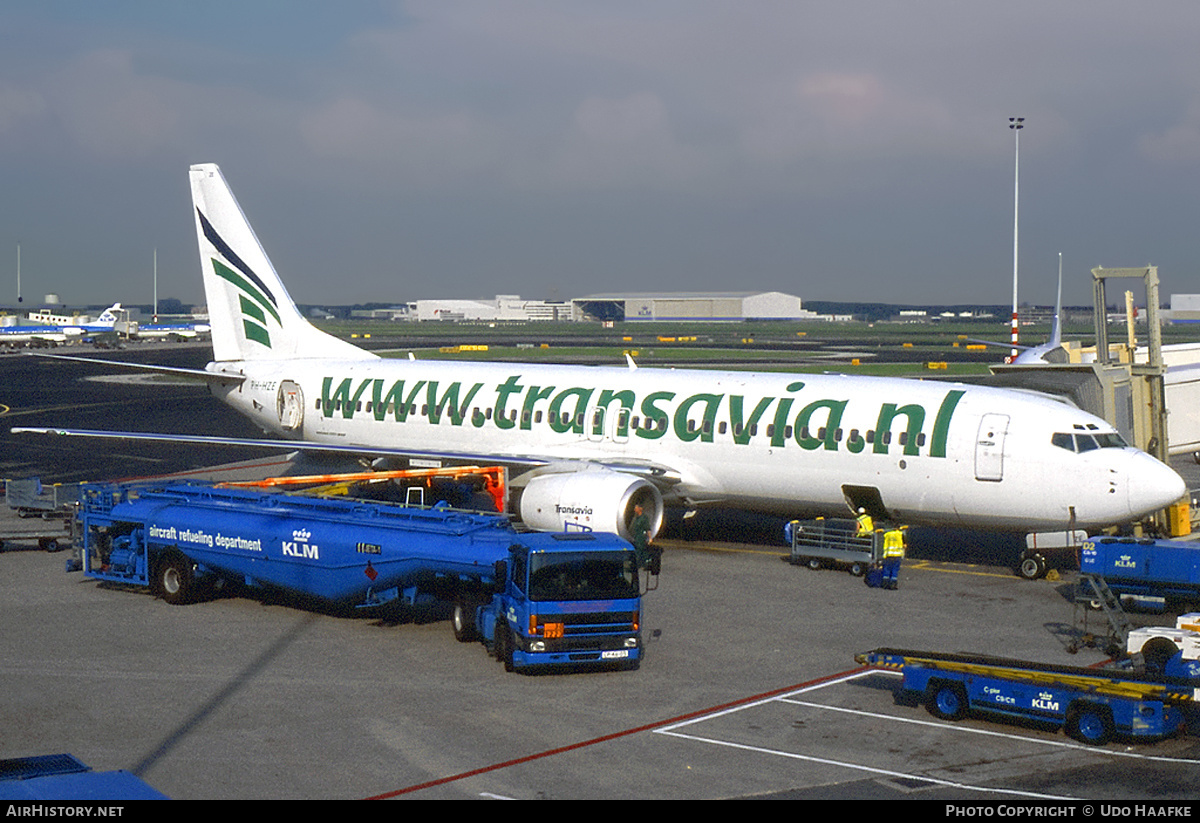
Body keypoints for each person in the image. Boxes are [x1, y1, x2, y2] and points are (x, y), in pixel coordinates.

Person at [630, 502, 655, 572]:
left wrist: (650, 538)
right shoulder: (637, 518)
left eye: (636, 508)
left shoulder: (644, 518)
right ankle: (645, 564)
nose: (635, 509)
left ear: (640, 509)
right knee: (641, 551)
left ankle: (638, 566)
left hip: (641, 537)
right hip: (636, 537)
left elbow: (647, 528)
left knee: (639, 551)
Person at [881, 525, 906, 590]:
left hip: (888, 555)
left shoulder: (887, 534)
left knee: (886, 569)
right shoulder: (901, 534)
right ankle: (893, 585)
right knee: (895, 570)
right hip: (897, 555)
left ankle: (885, 584)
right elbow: (905, 545)